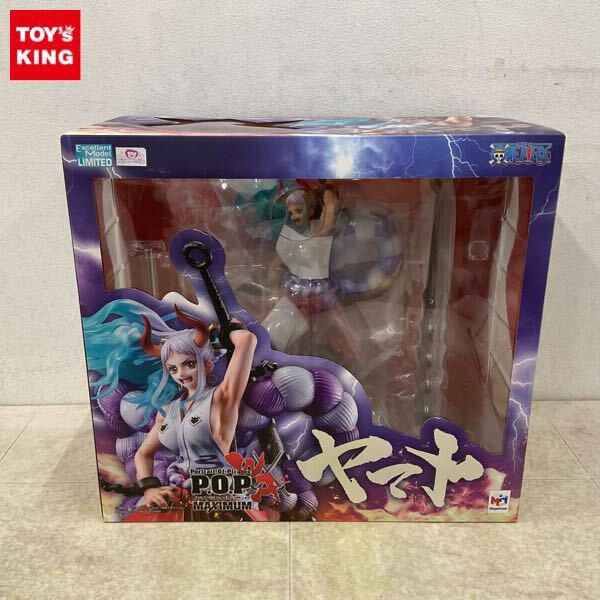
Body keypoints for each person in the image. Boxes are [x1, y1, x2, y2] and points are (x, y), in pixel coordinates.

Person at [134, 306, 257, 509]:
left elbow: (247, 340)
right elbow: (143, 454)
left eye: (189, 364)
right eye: (173, 369)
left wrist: (230, 328)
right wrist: (149, 488)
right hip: (180, 496)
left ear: (207, 366)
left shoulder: (221, 398)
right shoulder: (168, 410)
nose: (181, 374)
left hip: (220, 497)